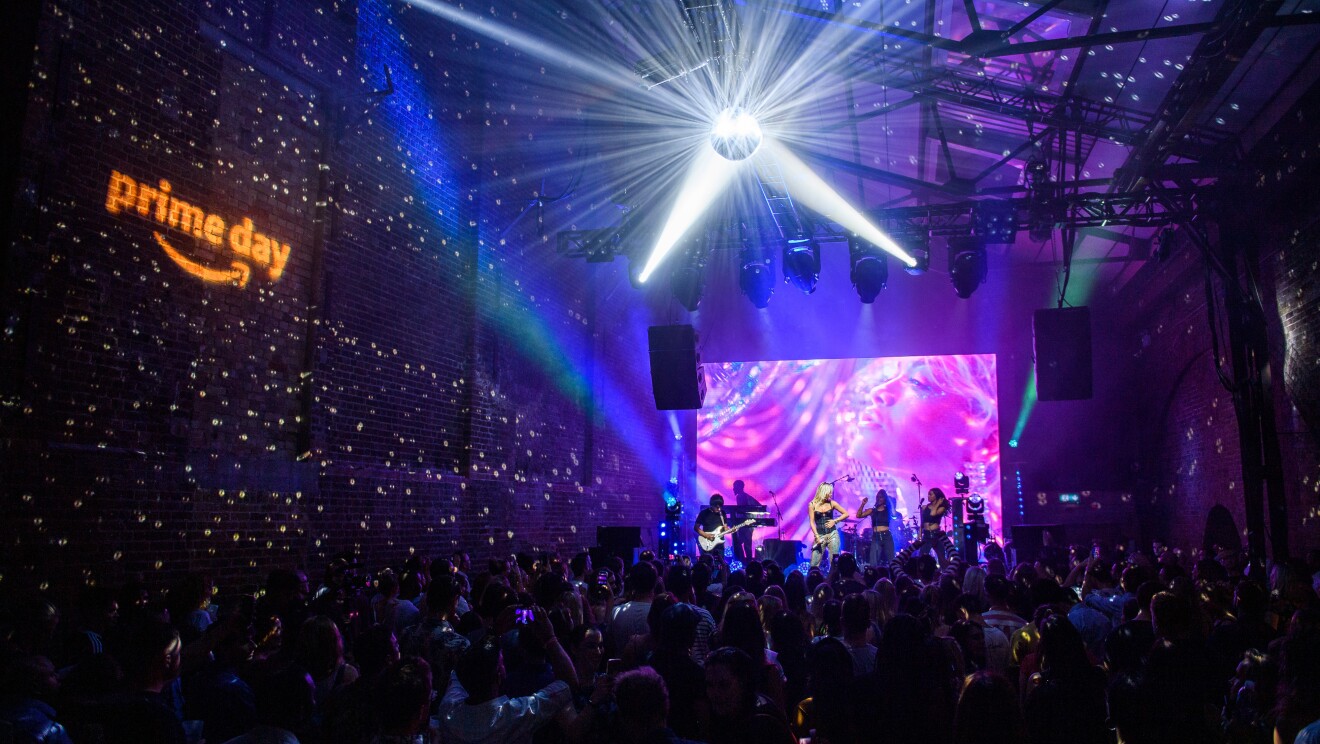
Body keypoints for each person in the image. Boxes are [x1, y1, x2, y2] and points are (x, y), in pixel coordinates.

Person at [809, 483, 849, 569]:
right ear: (824, 492)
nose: (831, 494)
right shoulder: (812, 504)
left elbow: (846, 514)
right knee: (814, 563)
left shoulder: (832, 503)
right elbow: (812, 522)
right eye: (829, 493)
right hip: (819, 535)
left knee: (834, 561)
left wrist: (835, 521)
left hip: (832, 534)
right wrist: (816, 536)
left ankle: (833, 580)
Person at [855, 489, 896, 566]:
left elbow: (894, 514)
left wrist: (889, 501)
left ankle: (893, 576)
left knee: (892, 560)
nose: (879, 499)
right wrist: (863, 504)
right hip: (876, 536)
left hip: (887, 536)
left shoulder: (888, 509)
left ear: (884, 499)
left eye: (881, 497)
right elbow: (858, 515)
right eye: (878, 497)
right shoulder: (872, 510)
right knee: (873, 561)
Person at [915, 487, 951, 565]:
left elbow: (933, 514)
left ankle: (944, 574)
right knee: (922, 557)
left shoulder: (942, 508)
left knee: (941, 558)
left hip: (936, 535)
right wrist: (920, 533)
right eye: (928, 494)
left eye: (930, 494)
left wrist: (938, 503)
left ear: (936, 496)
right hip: (926, 535)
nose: (928, 496)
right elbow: (923, 521)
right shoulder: (925, 507)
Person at [730, 481, 761, 567]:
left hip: (745, 524)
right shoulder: (747, 496)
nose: (733, 489)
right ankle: (748, 563)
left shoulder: (740, 496)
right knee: (746, 545)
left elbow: (741, 510)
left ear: (740, 487)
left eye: (734, 486)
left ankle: (744, 563)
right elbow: (759, 506)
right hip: (748, 524)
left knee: (739, 543)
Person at [695, 495, 730, 563]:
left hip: (719, 543)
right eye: (717, 507)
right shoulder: (704, 513)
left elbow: (725, 528)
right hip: (708, 542)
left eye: (720, 506)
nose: (719, 508)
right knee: (707, 563)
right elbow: (696, 527)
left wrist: (732, 530)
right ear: (711, 505)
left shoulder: (722, 513)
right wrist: (706, 535)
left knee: (720, 564)